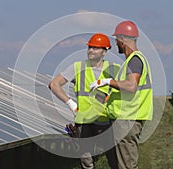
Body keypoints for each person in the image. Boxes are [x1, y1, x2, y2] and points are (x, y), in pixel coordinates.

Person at [49, 33, 120, 169]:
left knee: (114, 159)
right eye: (90, 47)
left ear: (104, 51)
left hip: (106, 120)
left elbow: (126, 89)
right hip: (84, 121)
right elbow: (54, 84)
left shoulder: (114, 69)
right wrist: (71, 104)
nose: (91, 50)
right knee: (86, 162)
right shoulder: (77, 67)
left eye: (95, 48)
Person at [90, 21, 153, 169]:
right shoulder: (131, 61)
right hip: (124, 120)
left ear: (123, 39)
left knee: (126, 165)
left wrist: (107, 82)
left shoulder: (135, 60)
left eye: (117, 39)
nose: (116, 43)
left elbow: (131, 86)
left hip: (127, 120)